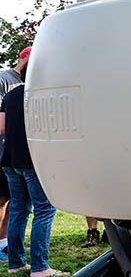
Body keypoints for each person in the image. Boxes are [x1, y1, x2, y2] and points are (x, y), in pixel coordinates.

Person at [1, 82, 69, 277]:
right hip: (34, 160)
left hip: (10, 160)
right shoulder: (46, 92)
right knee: (45, 210)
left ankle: (16, 264)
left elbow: (1, 127)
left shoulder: (11, 94)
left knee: (18, 211)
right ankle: (40, 268)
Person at [0, 46, 31, 262]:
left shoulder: (29, 83)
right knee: (2, 201)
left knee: (14, 202)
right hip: (4, 149)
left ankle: (7, 244)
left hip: (18, 151)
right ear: (25, 57)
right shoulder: (4, 79)